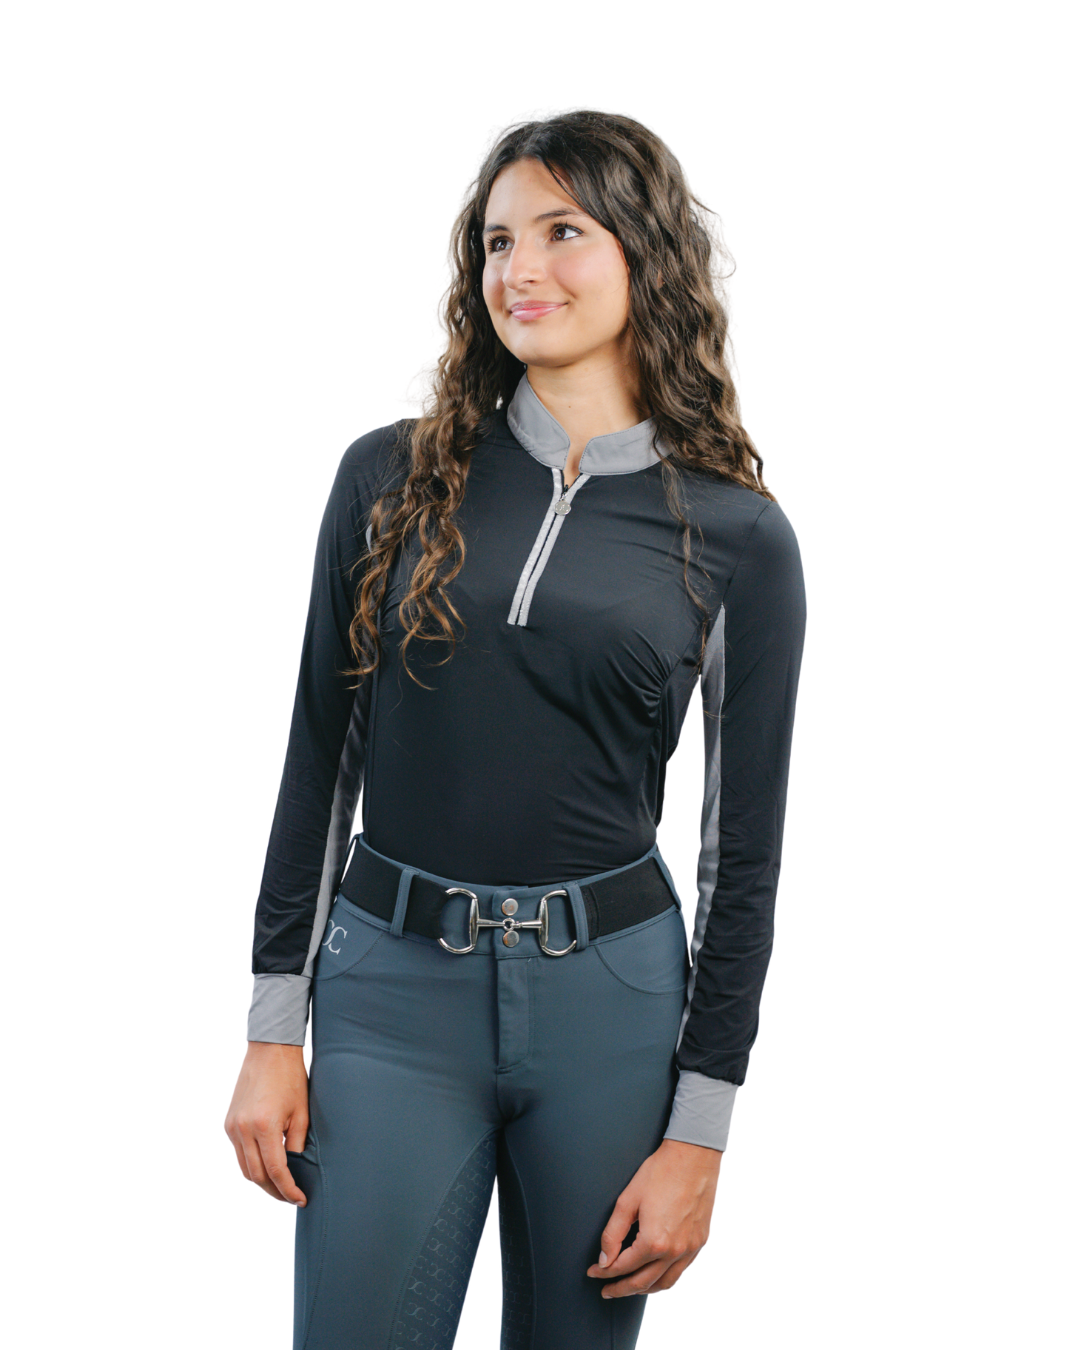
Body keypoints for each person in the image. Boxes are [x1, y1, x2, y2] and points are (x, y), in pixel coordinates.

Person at [225, 108, 806, 1350]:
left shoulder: (736, 536)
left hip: (614, 1010)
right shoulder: (387, 478)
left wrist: (701, 1131)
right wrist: (275, 1026)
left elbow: (741, 858)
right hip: (389, 999)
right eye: (496, 241)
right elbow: (319, 761)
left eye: (561, 232)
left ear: (646, 253)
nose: (519, 270)